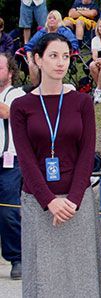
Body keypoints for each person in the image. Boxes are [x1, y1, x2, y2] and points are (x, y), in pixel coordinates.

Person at [10, 32, 101, 297]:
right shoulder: (22, 106)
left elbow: (87, 153)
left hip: (78, 203)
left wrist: (74, 199)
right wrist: (49, 201)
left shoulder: (82, 102)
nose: (60, 63)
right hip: (39, 204)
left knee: (82, 278)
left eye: (65, 56)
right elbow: (26, 161)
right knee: (44, 281)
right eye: (53, 55)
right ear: (37, 59)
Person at [0, 53, 25, 280]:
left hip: (9, 161)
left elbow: (7, 112)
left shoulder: (16, 94)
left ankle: (17, 257)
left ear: (10, 72)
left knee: (8, 210)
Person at [24, 10, 79, 86]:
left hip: (58, 58)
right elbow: (29, 46)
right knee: (31, 65)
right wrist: (30, 59)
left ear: (59, 21)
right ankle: (36, 88)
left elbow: (74, 45)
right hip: (42, 57)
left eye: (54, 18)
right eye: (50, 18)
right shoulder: (42, 32)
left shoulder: (65, 32)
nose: (52, 20)